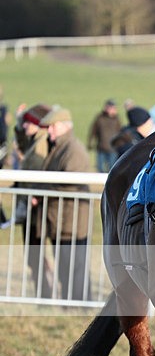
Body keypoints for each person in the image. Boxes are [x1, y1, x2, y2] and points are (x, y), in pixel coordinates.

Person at [36, 105, 92, 301]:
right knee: (64, 265)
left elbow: (70, 182)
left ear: (64, 126)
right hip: (62, 219)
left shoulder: (73, 149)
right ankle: (69, 301)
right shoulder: (60, 148)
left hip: (72, 220)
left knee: (74, 267)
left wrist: (41, 192)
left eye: (52, 126)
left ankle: (79, 303)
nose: (49, 131)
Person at [14, 104, 54, 297]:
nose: (24, 125)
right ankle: (43, 292)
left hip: (34, 206)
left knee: (35, 254)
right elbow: (22, 146)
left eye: (27, 122)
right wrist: (18, 120)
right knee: (34, 254)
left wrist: (31, 196)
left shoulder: (41, 143)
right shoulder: (36, 141)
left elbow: (37, 173)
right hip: (31, 203)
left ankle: (44, 293)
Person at [87, 99, 122, 172]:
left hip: (113, 149)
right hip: (101, 148)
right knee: (100, 169)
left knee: (112, 169)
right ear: (106, 107)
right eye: (110, 107)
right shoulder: (99, 118)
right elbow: (93, 131)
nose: (112, 109)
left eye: (113, 108)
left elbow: (120, 133)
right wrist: (90, 143)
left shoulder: (117, 119)